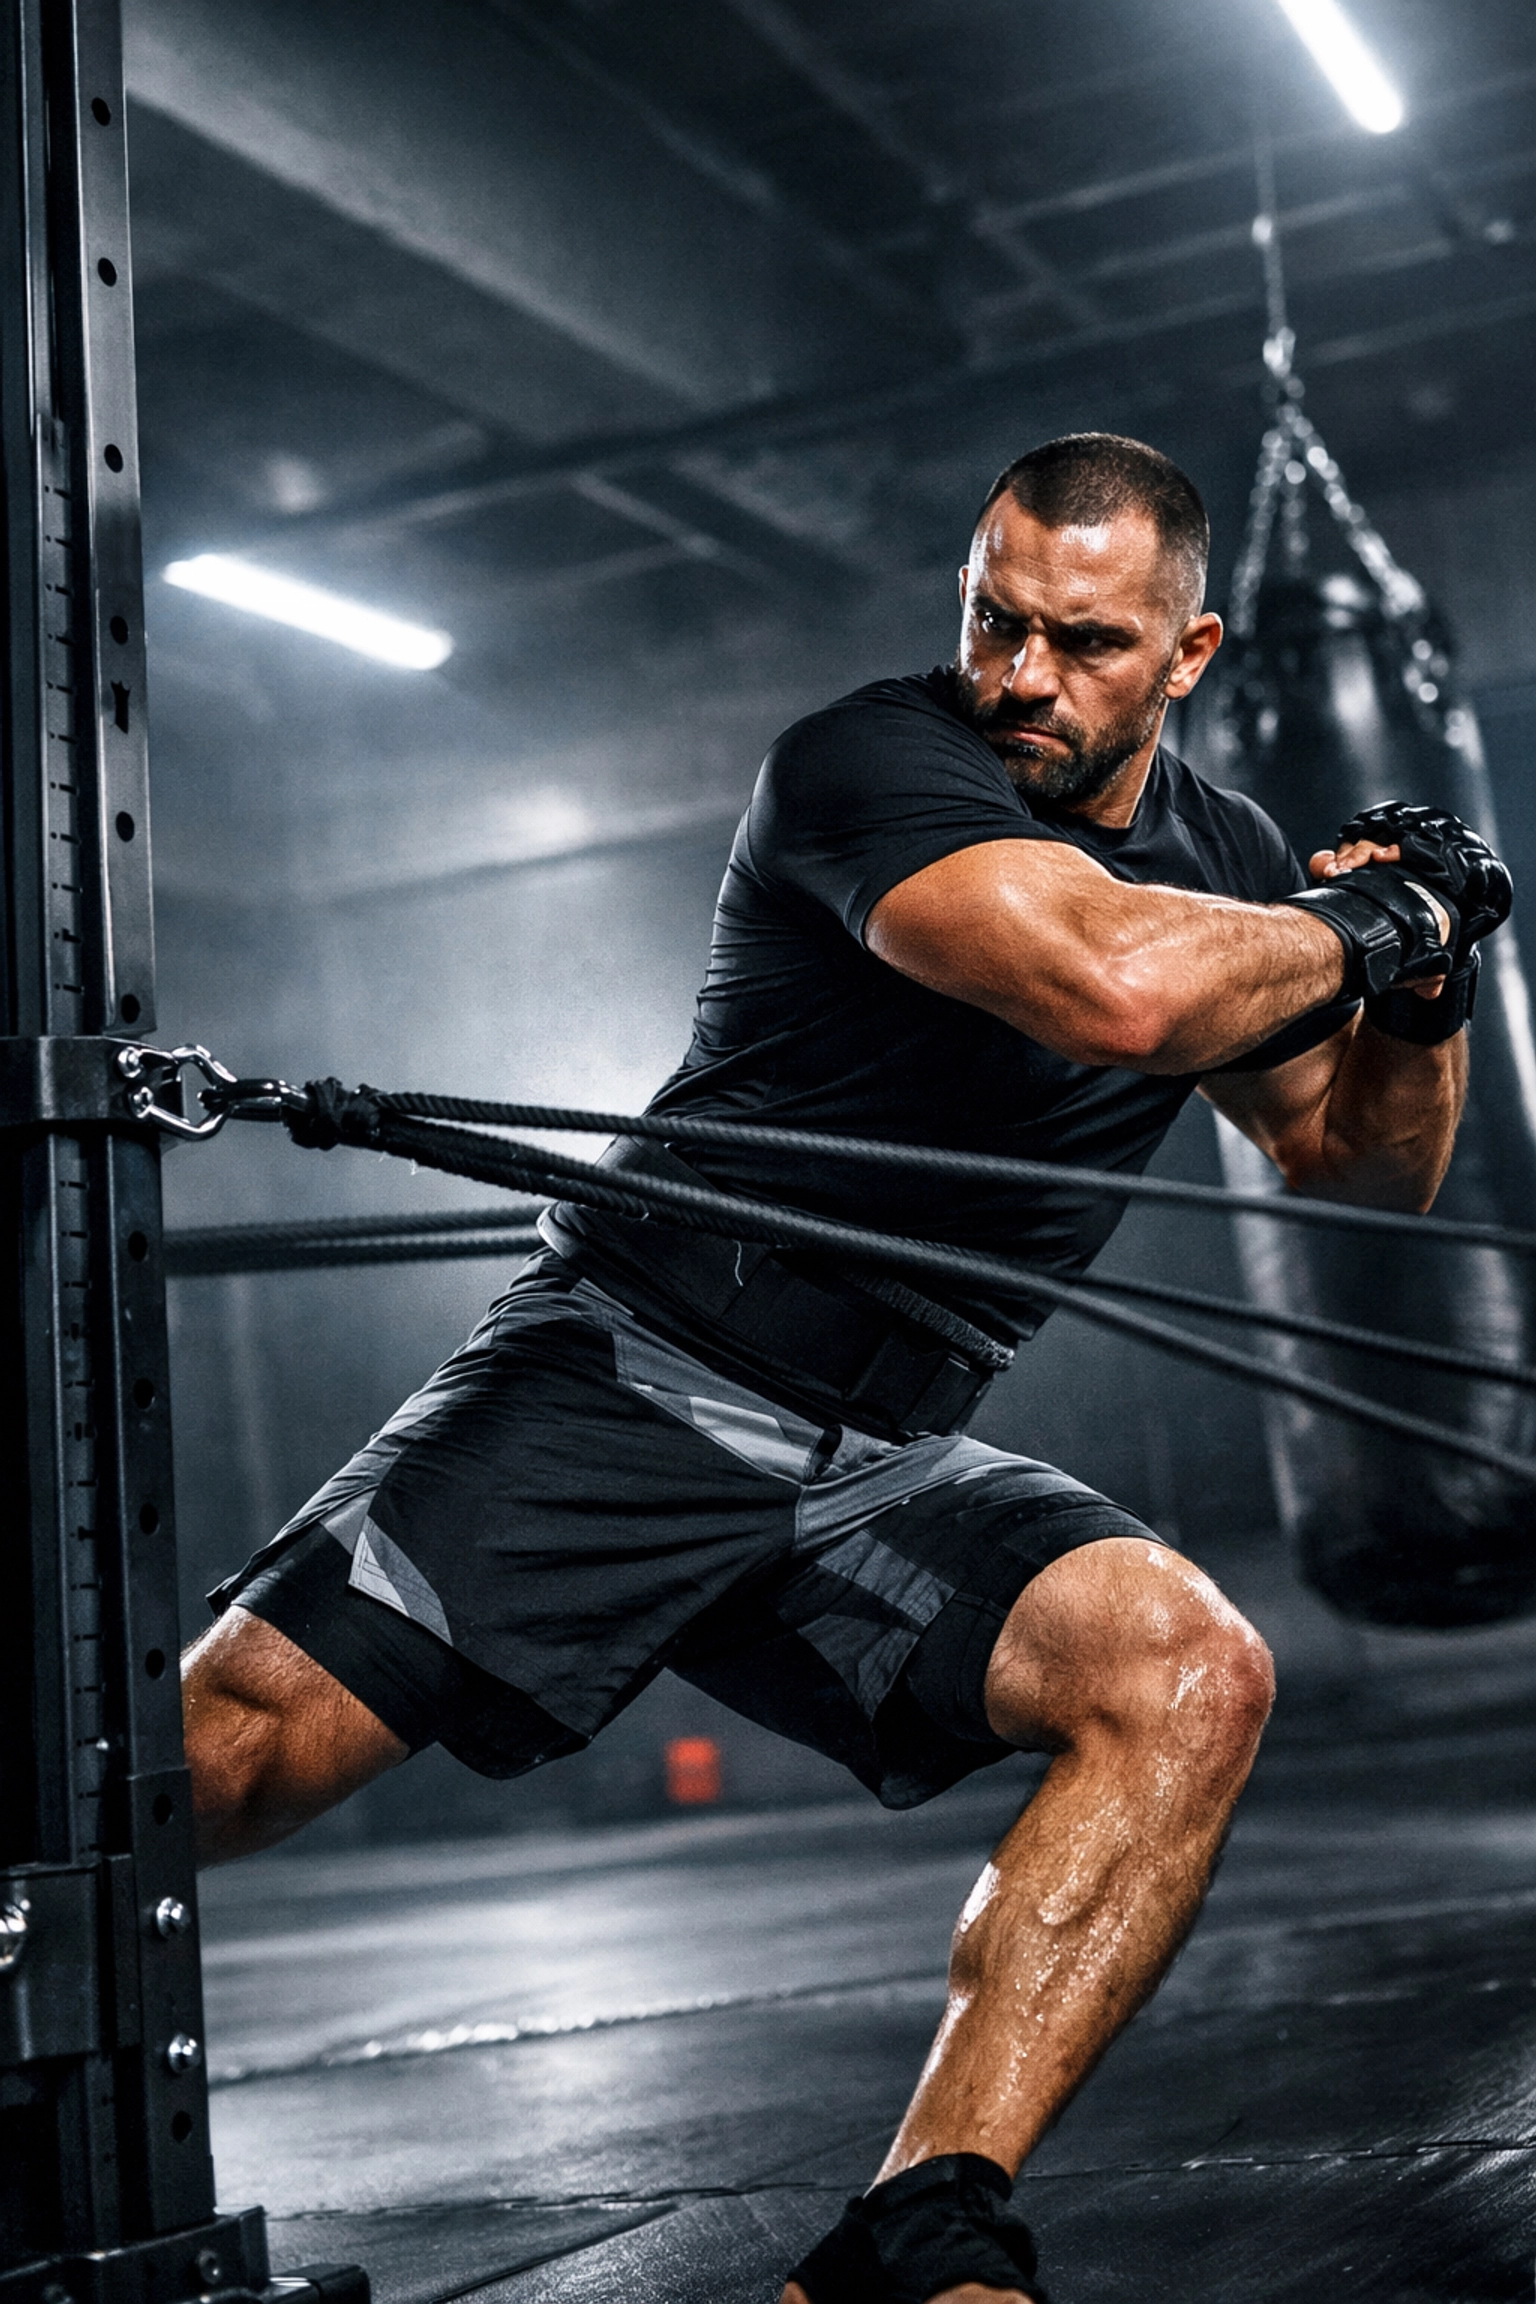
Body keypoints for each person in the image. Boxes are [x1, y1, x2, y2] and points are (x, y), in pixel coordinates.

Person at [182, 434, 1507, 2304]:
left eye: (1087, 643)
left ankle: (917, 2223)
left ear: (1191, 656)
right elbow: (1112, 988)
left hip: (880, 1454)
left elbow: (1355, 1166)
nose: (1024, 676)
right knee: (209, 1773)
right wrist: (1374, 925)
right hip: (633, 1372)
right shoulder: (871, 764)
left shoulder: (1228, 867)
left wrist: (1428, 996)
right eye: (996, 621)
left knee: (1186, 1670)